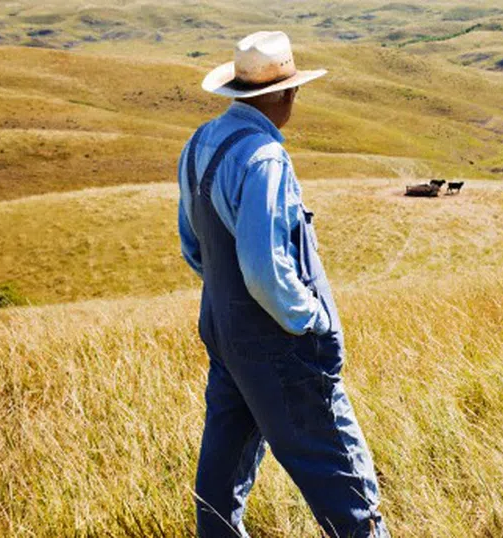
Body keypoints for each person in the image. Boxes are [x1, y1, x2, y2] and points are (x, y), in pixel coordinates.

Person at [177, 31, 388, 538]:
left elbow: (193, 247)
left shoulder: (200, 142)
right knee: (342, 484)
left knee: (220, 483)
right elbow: (264, 270)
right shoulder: (265, 158)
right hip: (281, 345)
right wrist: (309, 319)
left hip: (225, 334)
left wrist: (233, 307)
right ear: (286, 93)